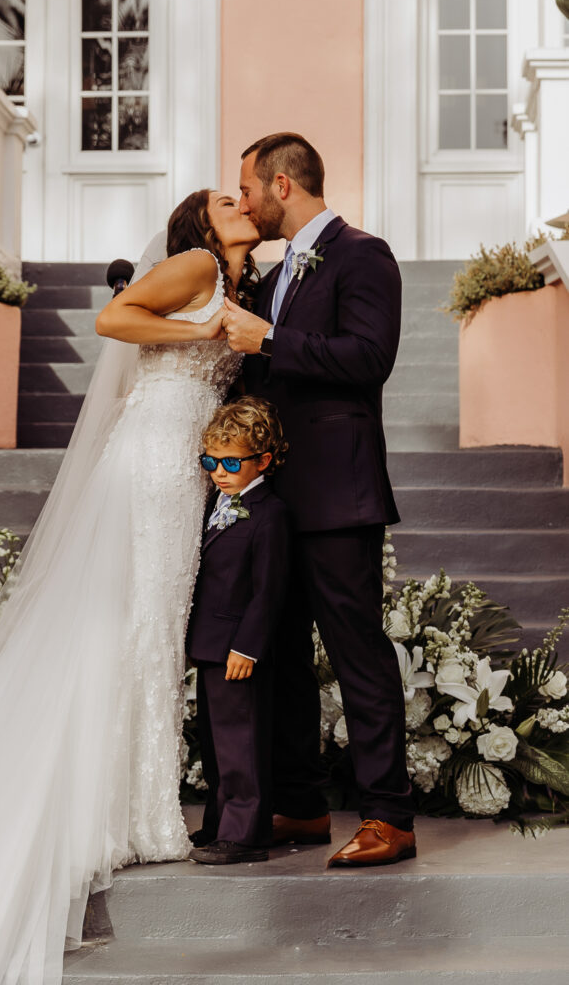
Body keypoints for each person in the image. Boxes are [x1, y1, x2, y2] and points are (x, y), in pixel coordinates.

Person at [0, 189, 259, 984]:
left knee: (151, 624)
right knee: (141, 625)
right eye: (227, 197)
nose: (242, 201)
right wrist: (198, 329)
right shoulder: (195, 265)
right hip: (157, 453)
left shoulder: (235, 280)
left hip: (181, 459)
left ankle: (139, 805)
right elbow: (115, 319)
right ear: (200, 222)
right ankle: (130, 813)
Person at [221, 132, 416, 867]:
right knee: (279, 657)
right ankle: (300, 805)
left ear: (280, 185)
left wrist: (269, 339)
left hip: (338, 495)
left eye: (245, 188)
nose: (240, 202)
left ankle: (388, 818)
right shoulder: (274, 275)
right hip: (276, 499)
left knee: (355, 652)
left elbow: (370, 357)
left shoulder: (364, 253)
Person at [185, 397, 292, 865]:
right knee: (214, 740)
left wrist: (247, 647)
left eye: (231, 462)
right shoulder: (217, 503)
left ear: (263, 460)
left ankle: (246, 833)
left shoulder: (270, 514)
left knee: (239, 740)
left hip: (236, 647)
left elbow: (268, 591)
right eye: (212, 462)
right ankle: (219, 823)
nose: (219, 472)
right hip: (209, 643)